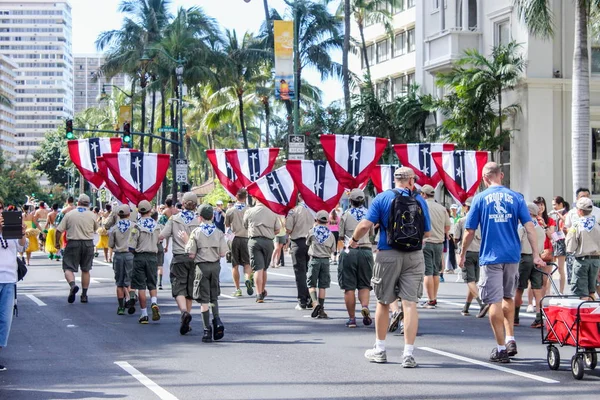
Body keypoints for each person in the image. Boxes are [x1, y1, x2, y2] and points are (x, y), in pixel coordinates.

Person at [460, 162, 544, 363]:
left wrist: (462, 253)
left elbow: (469, 231)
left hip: (491, 256)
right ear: (501, 175)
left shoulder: (480, 198)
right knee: (508, 297)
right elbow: (530, 227)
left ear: (484, 177)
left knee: (493, 301)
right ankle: (510, 338)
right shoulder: (516, 197)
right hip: (512, 255)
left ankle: (500, 348)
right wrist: (535, 254)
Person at [350, 167, 431, 368]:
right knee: (410, 303)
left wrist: (353, 240)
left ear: (395, 180)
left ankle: (380, 349)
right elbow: (427, 233)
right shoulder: (420, 201)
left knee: (383, 301)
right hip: (414, 255)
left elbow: (365, 225)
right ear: (411, 181)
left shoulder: (382, 198)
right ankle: (408, 354)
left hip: (388, 254)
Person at [184, 204, 228, 342]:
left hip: (201, 267)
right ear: (213, 216)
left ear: (200, 217)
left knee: (204, 300)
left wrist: (186, 241)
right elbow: (222, 253)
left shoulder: (196, 232)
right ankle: (217, 321)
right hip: (215, 266)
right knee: (213, 297)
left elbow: (191, 254)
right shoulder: (219, 232)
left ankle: (206, 330)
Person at [159, 192, 200, 335]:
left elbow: (162, 235)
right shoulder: (198, 221)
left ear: (183, 204)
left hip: (179, 257)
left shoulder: (174, 220)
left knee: (178, 288)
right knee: (190, 290)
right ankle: (186, 318)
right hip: (194, 258)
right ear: (195, 205)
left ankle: (183, 312)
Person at [338, 188, 374, 328]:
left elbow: (341, 236)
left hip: (350, 251)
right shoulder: (369, 214)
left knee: (349, 287)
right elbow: (371, 233)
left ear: (350, 201)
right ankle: (364, 306)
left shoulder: (345, 215)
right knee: (365, 284)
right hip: (366, 250)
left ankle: (352, 319)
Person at [55, 194, 99, 304]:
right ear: (88, 204)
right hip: (88, 244)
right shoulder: (92, 215)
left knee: (68, 267)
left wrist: (57, 243)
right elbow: (96, 230)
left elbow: (59, 230)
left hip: (73, 243)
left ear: (78, 202)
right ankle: (84, 295)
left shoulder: (70, 214)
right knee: (86, 269)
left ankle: (72, 285)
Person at [0, 209, 27, 372]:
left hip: (9, 279)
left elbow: (22, 246)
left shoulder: (11, 229)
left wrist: (22, 233)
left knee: (4, 320)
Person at [514, 202, 546, 328]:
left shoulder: (523, 225)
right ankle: (539, 317)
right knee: (537, 289)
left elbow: (517, 241)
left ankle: (515, 317)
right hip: (537, 257)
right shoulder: (540, 226)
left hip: (524, 258)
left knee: (519, 288)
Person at [453, 197, 486, 317]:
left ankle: (481, 303)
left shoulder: (462, 221)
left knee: (469, 280)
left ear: (466, 207)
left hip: (467, 252)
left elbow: (456, 239)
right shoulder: (483, 221)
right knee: (474, 281)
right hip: (480, 252)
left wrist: (459, 254)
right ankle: (466, 308)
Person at [243, 199, 281, 303]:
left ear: (255, 199)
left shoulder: (249, 211)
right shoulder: (272, 212)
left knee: (257, 269)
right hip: (268, 242)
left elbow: (245, 225)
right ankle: (262, 290)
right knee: (264, 268)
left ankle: (259, 294)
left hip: (254, 241)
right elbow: (278, 229)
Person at [420, 184, 450, 309]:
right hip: (439, 242)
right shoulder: (442, 208)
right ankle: (434, 298)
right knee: (436, 272)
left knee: (428, 272)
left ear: (423, 195)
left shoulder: (422, 206)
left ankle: (430, 299)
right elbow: (447, 227)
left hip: (426, 242)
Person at [130, 200, 161, 324]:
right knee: (152, 283)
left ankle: (144, 314)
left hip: (139, 257)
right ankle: (154, 302)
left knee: (141, 286)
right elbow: (159, 241)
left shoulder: (136, 226)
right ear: (150, 211)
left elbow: (131, 246)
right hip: (153, 257)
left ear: (139, 211)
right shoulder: (157, 225)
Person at [566, 197, 600, 300]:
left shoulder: (576, 225)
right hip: (596, 261)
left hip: (582, 261)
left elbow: (570, 247)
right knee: (591, 291)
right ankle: (594, 315)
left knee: (582, 293)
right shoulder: (597, 225)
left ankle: (583, 315)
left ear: (580, 211)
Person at [286, 194, 314, 310]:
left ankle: (302, 300)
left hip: (298, 242)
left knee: (300, 273)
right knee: (311, 272)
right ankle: (311, 299)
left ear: (299, 197)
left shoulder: (294, 211)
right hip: (312, 243)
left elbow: (289, 229)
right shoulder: (313, 210)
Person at [306, 210, 336, 319]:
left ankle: (315, 303)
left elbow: (307, 243)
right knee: (323, 286)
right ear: (327, 221)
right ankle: (321, 308)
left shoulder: (312, 231)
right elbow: (333, 249)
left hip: (314, 259)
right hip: (325, 261)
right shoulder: (331, 234)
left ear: (317, 220)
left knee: (311, 284)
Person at [225, 189, 253, 297]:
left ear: (236, 196)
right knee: (247, 263)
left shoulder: (230, 210)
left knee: (235, 265)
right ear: (245, 197)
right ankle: (247, 279)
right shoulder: (249, 210)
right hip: (246, 238)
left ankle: (237, 289)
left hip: (234, 238)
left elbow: (227, 226)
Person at [109, 205, 135, 315]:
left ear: (118, 215)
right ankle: (132, 297)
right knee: (130, 280)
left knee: (119, 283)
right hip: (130, 255)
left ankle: (121, 307)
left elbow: (111, 244)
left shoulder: (114, 228)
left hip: (119, 255)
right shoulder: (134, 226)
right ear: (129, 214)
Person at [533, 196, 556, 296]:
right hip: (535, 251)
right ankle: (533, 300)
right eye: (538, 205)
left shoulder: (549, 220)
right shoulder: (531, 219)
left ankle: (541, 300)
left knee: (545, 278)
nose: (540, 207)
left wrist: (545, 226)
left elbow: (552, 236)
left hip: (547, 251)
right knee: (534, 277)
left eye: (542, 204)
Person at [550, 196, 569, 293]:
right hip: (554, 241)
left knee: (561, 268)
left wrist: (558, 214)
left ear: (561, 204)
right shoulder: (554, 215)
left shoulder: (566, 213)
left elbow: (567, 223)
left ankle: (561, 291)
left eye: (555, 205)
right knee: (550, 268)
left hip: (562, 242)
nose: (553, 207)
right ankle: (549, 290)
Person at [151, 211, 165, 290]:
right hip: (160, 245)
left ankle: (153, 281)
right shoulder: (161, 226)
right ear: (157, 217)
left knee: (152, 266)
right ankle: (160, 283)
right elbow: (165, 235)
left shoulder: (149, 225)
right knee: (160, 265)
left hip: (152, 246)